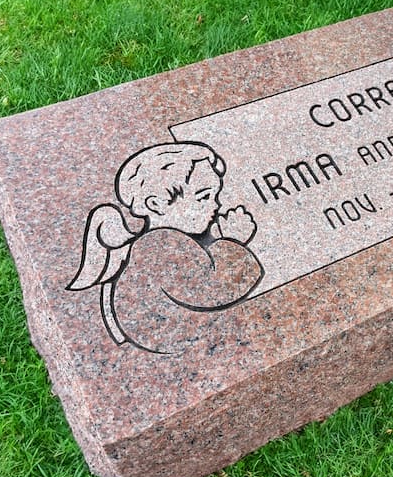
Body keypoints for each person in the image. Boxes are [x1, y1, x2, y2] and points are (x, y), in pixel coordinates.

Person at [67, 142, 263, 352]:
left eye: (215, 195)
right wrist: (234, 241)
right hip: (183, 344)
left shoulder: (162, 242)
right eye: (204, 196)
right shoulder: (158, 244)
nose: (216, 205)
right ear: (156, 204)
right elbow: (216, 290)